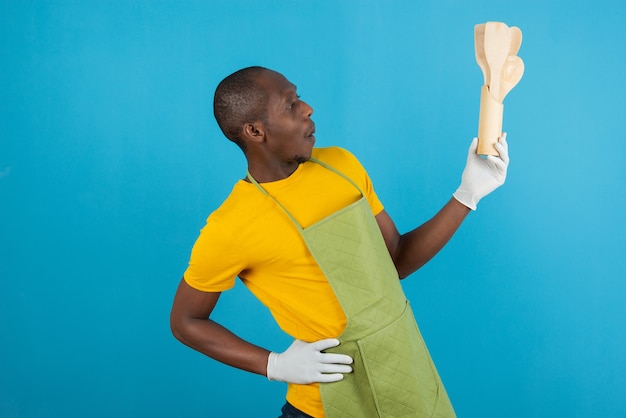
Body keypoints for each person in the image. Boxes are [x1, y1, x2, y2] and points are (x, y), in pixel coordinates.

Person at [170, 66, 509, 418]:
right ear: (255, 131)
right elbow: (186, 321)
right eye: (290, 105)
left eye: (298, 96)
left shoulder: (341, 165)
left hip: (405, 382)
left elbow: (396, 261)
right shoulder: (232, 225)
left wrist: (467, 195)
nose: (307, 108)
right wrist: (274, 365)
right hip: (325, 405)